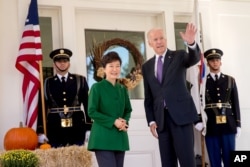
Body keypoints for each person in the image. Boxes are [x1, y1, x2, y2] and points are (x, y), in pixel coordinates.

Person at [142, 23, 201, 167]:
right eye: (155, 39)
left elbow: (194, 58)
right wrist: (151, 120)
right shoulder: (147, 66)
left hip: (181, 117)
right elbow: (149, 96)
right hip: (162, 121)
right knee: (167, 163)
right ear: (150, 43)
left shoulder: (179, 56)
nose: (159, 41)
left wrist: (191, 43)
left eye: (161, 38)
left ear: (166, 40)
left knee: (187, 161)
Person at [87, 51, 132, 167]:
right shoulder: (97, 88)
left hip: (119, 137)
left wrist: (124, 122)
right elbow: (92, 111)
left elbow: (128, 110)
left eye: (117, 66)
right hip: (103, 139)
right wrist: (113, 121)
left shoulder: (122, 89)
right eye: (111, 66)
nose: (115, 69)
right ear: (104, 69)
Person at [44, 48, 92, 147]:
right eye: (59, 61)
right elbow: (42, 106)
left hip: (77, 124)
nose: (62, 63)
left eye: (65, 61)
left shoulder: (80, 80)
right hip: (55, 125)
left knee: (76, 157)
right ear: (54, 64)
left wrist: (89, 126)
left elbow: (88, 104)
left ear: (69, 64)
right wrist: (40, 129)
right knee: (56, 157)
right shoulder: (47, 82)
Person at [203, 48, 241, 167]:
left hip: (229, 125)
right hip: (210, 126)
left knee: (230, 159)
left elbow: (236, 103)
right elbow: (198, 102)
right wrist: (198, 120)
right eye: (212, 60)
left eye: (217, 60)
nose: (215, 62)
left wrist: (238, 124)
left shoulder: (230, 80)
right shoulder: (203, 82)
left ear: (221, 62)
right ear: (208, 63)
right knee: (214, 161)